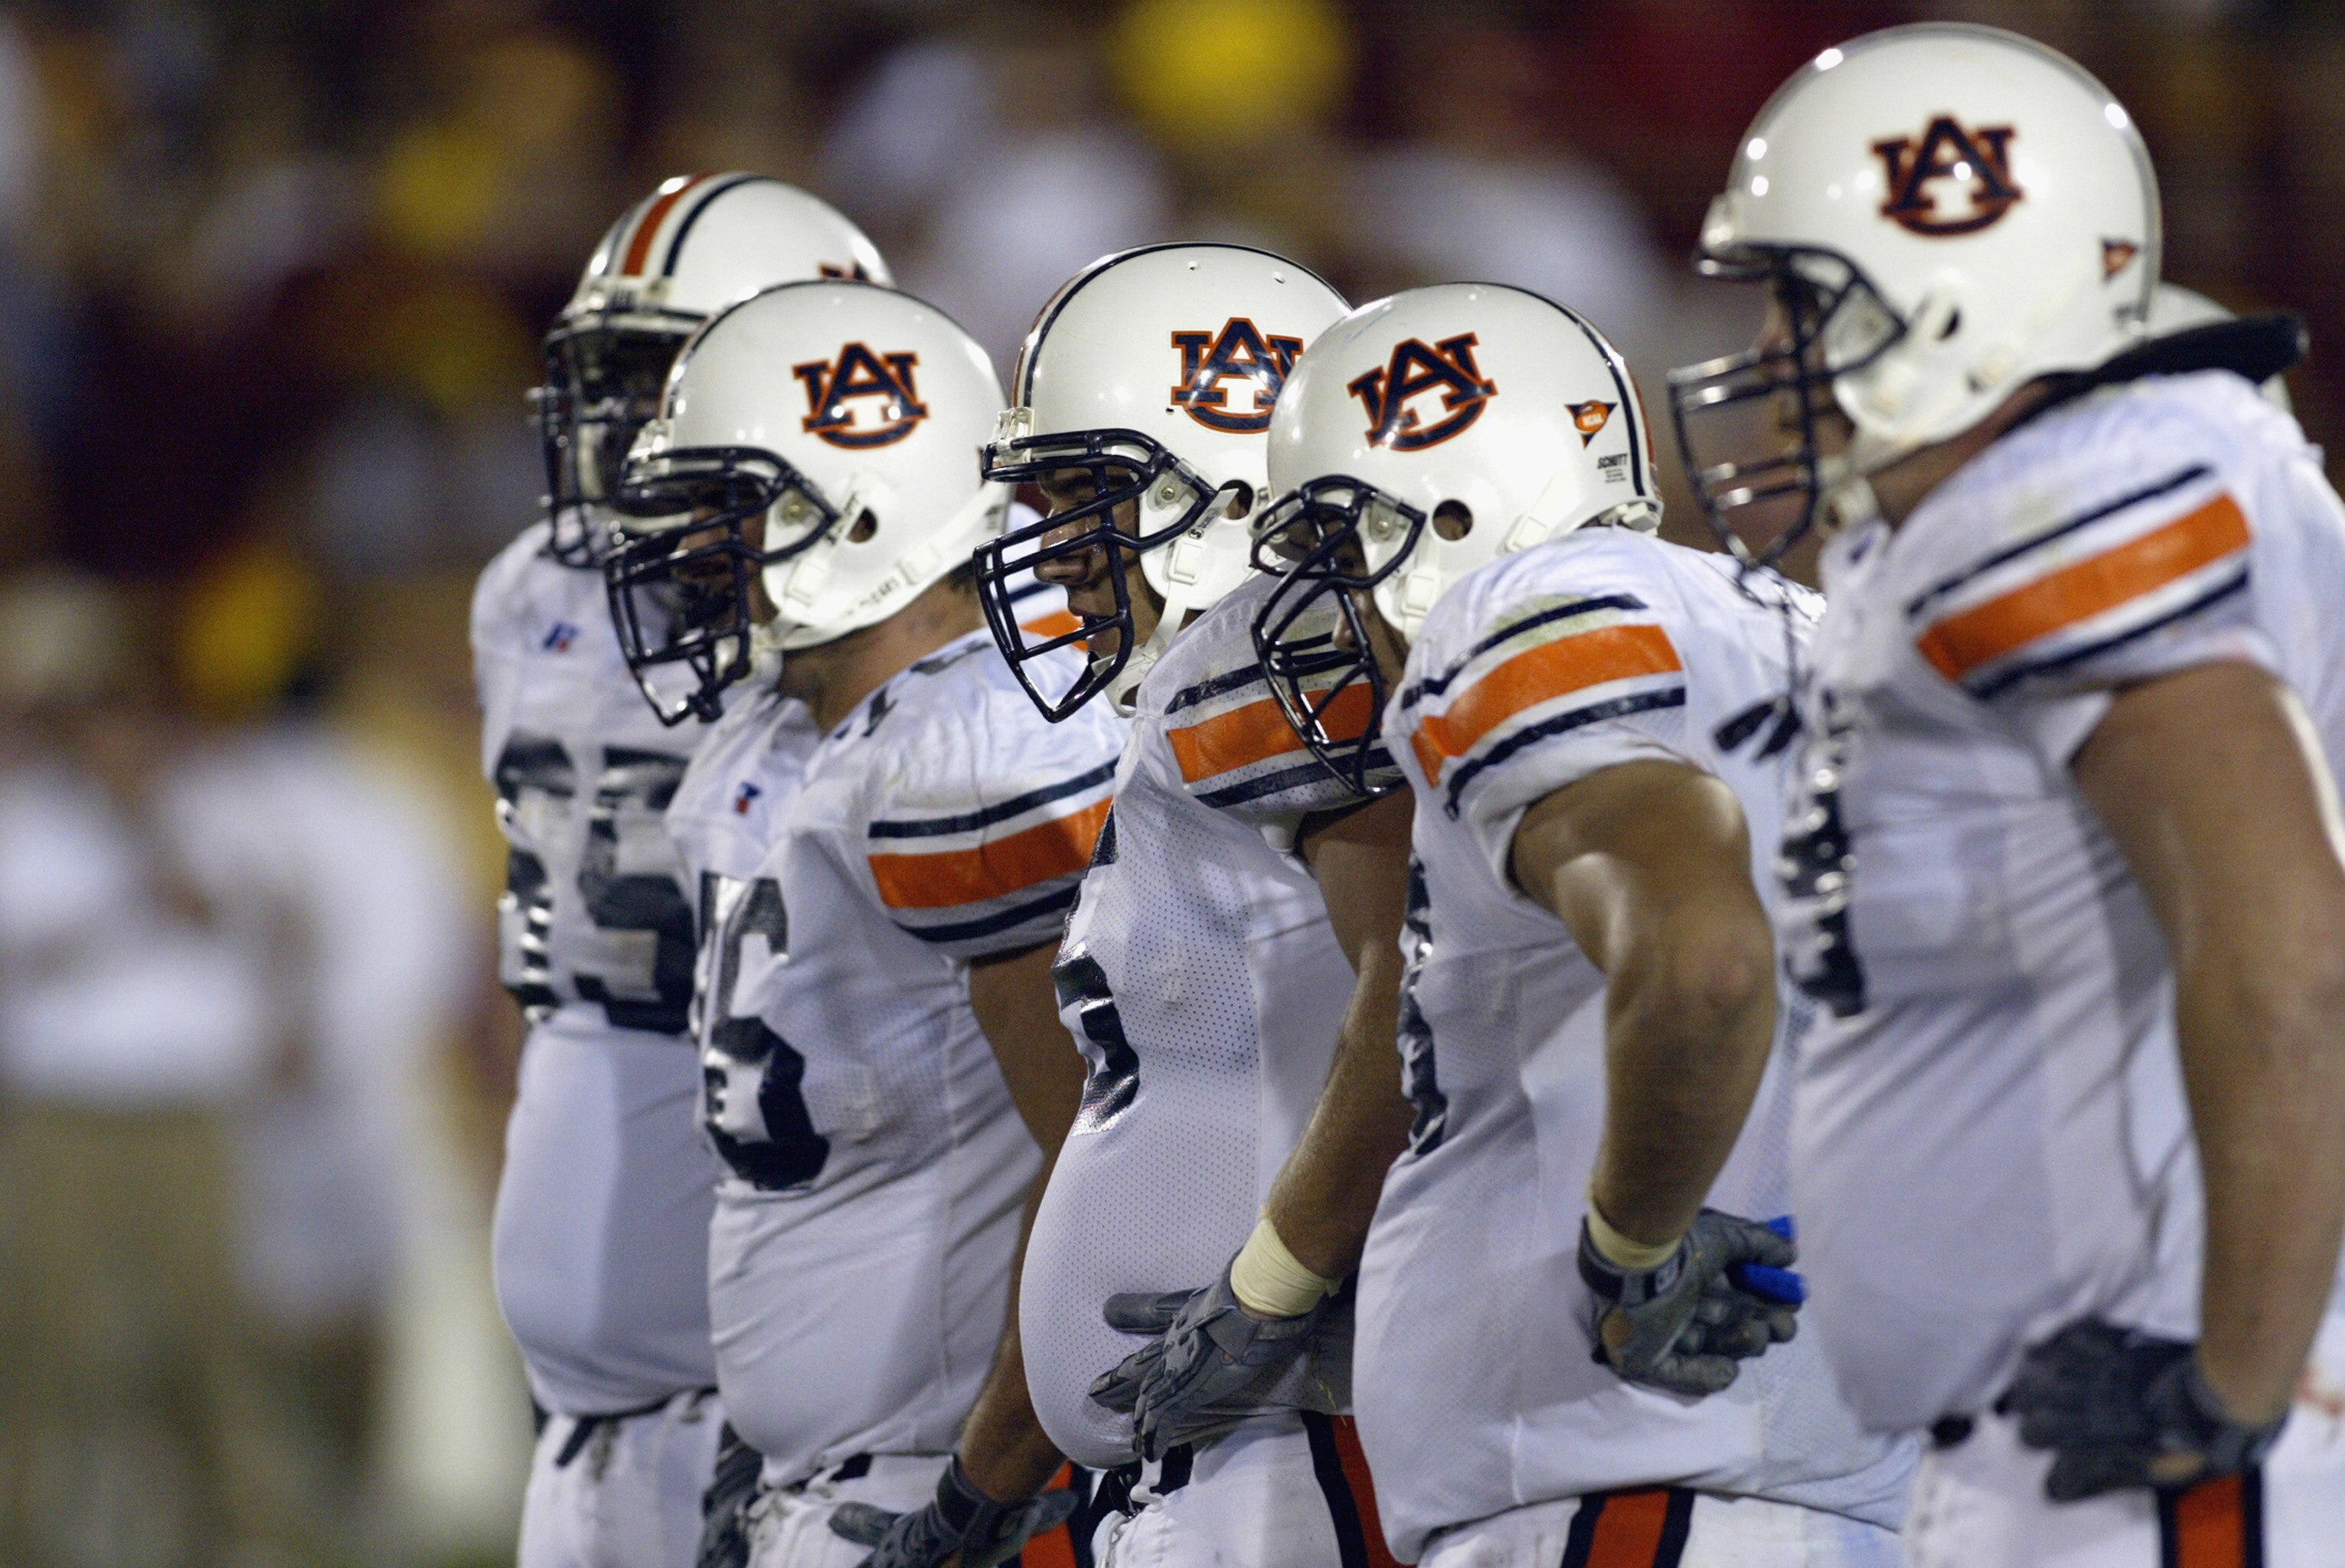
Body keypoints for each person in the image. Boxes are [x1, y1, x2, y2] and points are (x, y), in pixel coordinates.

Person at [1667, 22, 2345, 1565]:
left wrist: (2230, 1374)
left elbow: (2288, 946)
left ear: (1953, 298)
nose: (1775, 357)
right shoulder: (1978, 522)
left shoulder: (2074, 486)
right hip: (2048, 1443)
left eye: (1809, 300)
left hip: (2164, 1433)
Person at [1245, 283, 1916, 1566]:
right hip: (1811, 1492)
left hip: (1637, 1489)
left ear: (1443, 512)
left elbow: (1707, 963)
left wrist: (1632, 1250)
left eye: (1340, 545)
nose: (1329, 604)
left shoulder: (1516, 612)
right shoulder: (1814, 634)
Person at [605, 276, 1127, 1568]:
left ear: (861, 507)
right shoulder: (774, 739)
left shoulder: (977, 742)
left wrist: (989, 1485)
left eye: (733, 509)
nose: (692, 550)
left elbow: (1103, 1153)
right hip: (818, 1473)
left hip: (943, 1477)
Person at [972, 243, 1411, 1568]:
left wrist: (1276, 1282)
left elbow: (1425, 988)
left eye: (1085, 494)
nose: (1052, 549)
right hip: (1208, 1444)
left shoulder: (1297, 648)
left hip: (1305, 1436)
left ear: (1221, 483)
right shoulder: (1200, 691)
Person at [474, 173, 889, 1568]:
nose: (620, 422)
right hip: (578, 1417)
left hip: (781, 1399)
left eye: (668, 377)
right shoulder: (531, 593)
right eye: (614, 372)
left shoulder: (870, 640)